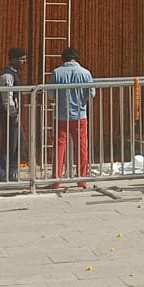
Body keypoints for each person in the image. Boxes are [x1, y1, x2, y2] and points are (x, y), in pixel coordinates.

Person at [50, 47, 94, 189]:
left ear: (63, 58)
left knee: (59, 147)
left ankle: (56, 180)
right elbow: (91, 94)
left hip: (61, 115)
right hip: (80, 115)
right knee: (81, 147)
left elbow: (51, 94)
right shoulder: (85, 73)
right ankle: (82, 179)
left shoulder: (56, 73)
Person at [0, 47, 27, 182]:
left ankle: (11, 172)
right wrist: (13, 113)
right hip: (8, 115)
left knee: (19, 143)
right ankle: (3, 174)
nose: (24, 62)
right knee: (9, 145)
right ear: (13, 60)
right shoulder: (7, 76)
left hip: (13, 115)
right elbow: (7, 97)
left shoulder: (14, 74)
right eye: (22, 59)